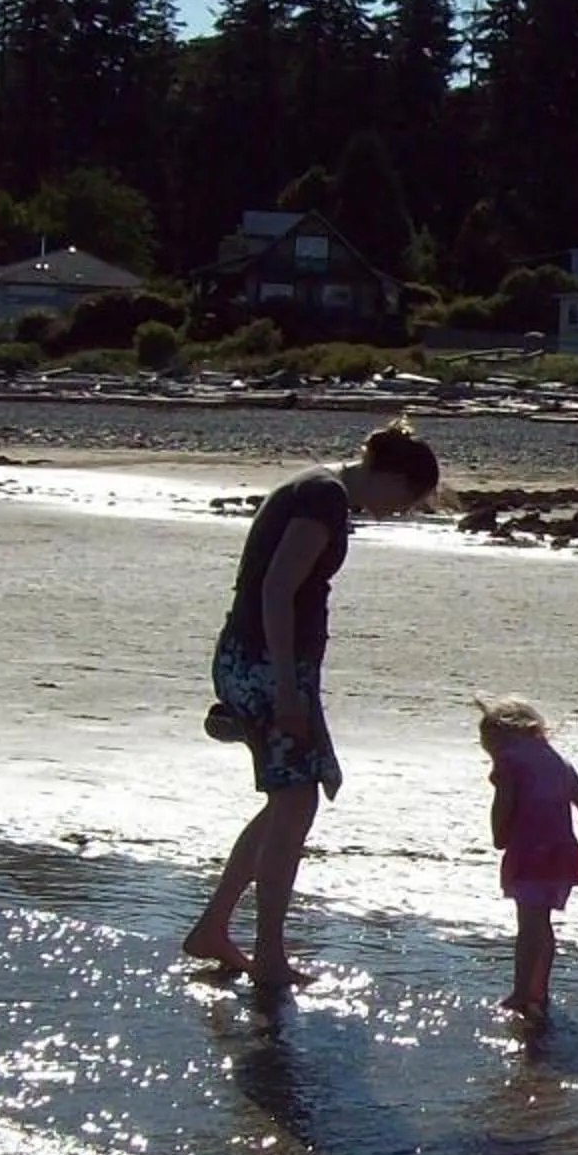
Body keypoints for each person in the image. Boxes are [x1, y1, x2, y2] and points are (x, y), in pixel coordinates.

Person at [183, 420, 440, 988]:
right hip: (266, 666)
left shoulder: (317, 487)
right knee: (295, 807)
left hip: (260, 660)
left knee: (288, 805)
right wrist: (286, 689)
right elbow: (277, 590)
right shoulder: (323, 496)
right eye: (406, 501)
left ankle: (215, 928)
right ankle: (268, 955)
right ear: (393, 477)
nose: (398, 513)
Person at [480, 696, 578, 1018]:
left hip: (531, 852)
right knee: (542, 925)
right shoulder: (558, 759)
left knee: (528, 925)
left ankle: (520, 993)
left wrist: (499, 835)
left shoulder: (509, 760)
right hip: (562, 854)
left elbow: (503, 805)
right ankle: (538, 992)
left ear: (499, 738)